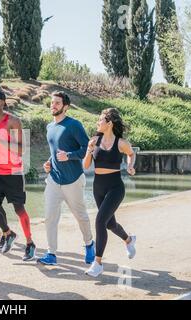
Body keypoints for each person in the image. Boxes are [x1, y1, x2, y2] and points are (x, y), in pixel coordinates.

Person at [38, 91, 95, 266]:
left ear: (66, 107)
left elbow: (87, 148)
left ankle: (89, 244)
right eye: (52, 102)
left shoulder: (73, 125)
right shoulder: (49, 127)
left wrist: (69, 155)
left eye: (57, 103)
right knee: (49, 217)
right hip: (54, 179)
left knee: (81, 216)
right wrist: (49, 163)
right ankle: (51, 253)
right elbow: (54, 152)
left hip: (73, 180)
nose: (53, 105)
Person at [83, 108, 137, 277]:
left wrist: (130, 165)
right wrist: (89, 150)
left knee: (100, 220)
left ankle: (97, 263)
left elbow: (131, 153)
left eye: (100, 120)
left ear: (109, 123)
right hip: (98, 187)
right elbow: (85, 166)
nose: (98, 122)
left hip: (115, 187)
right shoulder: (93, 140)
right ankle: (128, 239)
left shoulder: (121, 143)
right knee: (109, 224)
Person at [0, 90, 37, 261]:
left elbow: (21, 149)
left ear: (2, 102)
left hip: (13, 172)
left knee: (19, 209)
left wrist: (0, 142)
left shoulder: (13, 121)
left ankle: (30, 243)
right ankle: (8, 233)